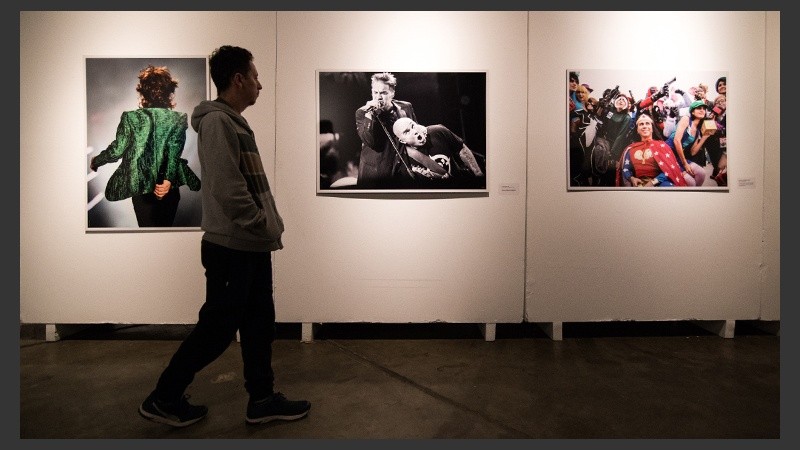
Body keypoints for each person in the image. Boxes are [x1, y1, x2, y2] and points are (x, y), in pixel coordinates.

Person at [138, 45, 310, 428]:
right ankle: (164, 397)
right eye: (255, 76)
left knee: (258, 324)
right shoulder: (218, 123)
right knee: (217, 329)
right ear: (238, 79)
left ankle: (262, 399)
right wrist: (260, 223)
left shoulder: (231, 121)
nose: (260, 85)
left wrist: (262, 230)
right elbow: (229, 189)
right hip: (233, 245)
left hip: (248, 244)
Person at [90, 65, 201, 227]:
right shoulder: (178, 119)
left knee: (147, 233)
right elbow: (174, 153)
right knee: (166, 233)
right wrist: (168, 181)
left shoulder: (131, 118)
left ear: (142, 91)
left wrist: (97, 160)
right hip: (169, 189)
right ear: (169, 92)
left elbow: (118, 150)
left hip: (142, 187)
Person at [355, 72, 417, 189]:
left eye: (383, 93)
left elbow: (415, 136)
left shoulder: (406, 107)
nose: (378, 97)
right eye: (375, 92)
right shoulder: (362, 112)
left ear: (392, 93)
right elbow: (370, 142)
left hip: (402, 171)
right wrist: (370, 115)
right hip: (376, 174)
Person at [391, 117, 485, 188]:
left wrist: (478, 175)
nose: (414, 131)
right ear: (402, 141)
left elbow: (461, 149)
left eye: (413, 125)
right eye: (407, 132)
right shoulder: (404, 161)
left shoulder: (438, 131)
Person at [617, 113, 687, 188]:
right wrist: (632, 178)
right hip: (639, 185)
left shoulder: (662, 146)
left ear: (652, 128)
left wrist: (653, 182)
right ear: (637, 130)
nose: (644, 126)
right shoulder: (630, 149)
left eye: (647, 123)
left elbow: (668, 169)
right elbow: (626, 169)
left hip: (661, 184)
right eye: (641, 124)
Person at [666, 100, 712, 186]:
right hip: (668, 152)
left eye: (704, 109)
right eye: (699, 108)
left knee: (701, 173)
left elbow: (693, 151)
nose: (702, 110)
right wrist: (685, 164)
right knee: (691, 182)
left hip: (678, 156)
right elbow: (676, 140)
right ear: (693, 112)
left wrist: (704, 137)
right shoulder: (686, 119)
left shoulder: (698, 131)